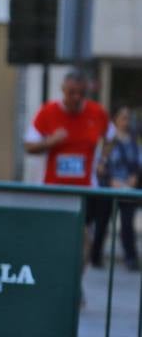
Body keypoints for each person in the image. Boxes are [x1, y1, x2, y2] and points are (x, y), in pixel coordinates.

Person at [24, 70, 111, 269]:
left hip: (85, 191)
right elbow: (29, 145)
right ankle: (55, 281)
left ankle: (75, 286)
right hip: (53, 189)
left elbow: (111, 137)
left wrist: (102, 160)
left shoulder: (97, 113)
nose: (76, 97)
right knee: (53, 240)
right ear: (63, 90)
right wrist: (51, 141)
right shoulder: (48, 112)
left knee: (83, 242)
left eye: (81, 93)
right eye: (71, 92)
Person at [97, 106, 140, 270]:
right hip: (110, 188)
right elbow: (100, 165)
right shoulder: (109, 140)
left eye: (128, 118)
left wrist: (135, 177)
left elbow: (137, 164)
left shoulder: (134, 141)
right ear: (116, 120)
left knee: (128, 225)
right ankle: (96, 256)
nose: (126, 121)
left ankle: (131, 259)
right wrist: (109, 180)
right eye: (123, 118)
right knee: (102, 223)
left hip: (128, 189)